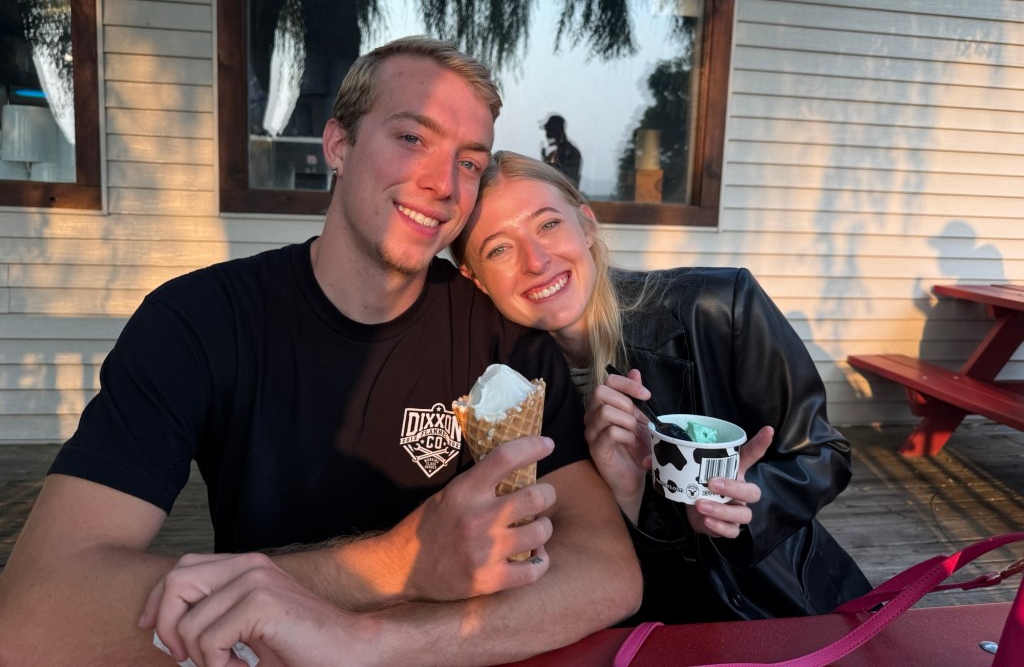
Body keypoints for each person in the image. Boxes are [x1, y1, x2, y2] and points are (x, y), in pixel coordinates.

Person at [0, 40, 641, 666]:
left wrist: (368, 644)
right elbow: (35, 617)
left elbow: (606, 571)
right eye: (411, 138)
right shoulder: (198, 323)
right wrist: (397, 563)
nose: (443, 183)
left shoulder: (500, 338)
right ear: (338, 145)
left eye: (469, 163)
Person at [450, 151, 872, 625]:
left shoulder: (718, 307)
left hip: (784, 613)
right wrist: (630, 497)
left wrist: (736, 500)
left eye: (548, 225)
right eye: (498, 249)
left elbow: (823, 453)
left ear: (586, 224)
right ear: (475, 279)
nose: (536, 260)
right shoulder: (497, 398)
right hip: (642, 632)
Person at [541, 114, 582, 186]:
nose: (546, 132)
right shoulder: (557, 151)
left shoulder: (569, 152)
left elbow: (566, 177)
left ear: (555, 130)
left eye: (548, 129)